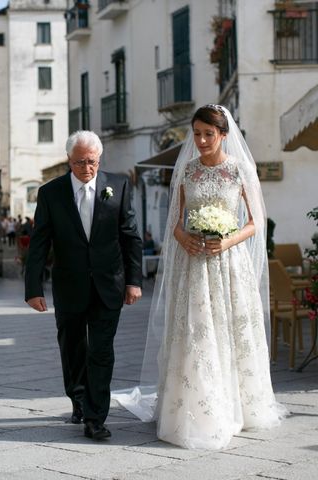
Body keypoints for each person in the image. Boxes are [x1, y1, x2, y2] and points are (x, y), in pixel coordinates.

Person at [114, 105, 286, 449]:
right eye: (197, 133)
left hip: (229, 263)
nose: (202, 140)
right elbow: (175, 222)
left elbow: (256, 222)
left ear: (223, 135)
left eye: (209, 133)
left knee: (229, 328)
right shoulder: (187, 171)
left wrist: (227, 240)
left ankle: (240, 405)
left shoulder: (239, 170)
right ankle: (194, 406)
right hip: (193, 265)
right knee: (197, 330)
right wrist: (185, 238)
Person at [25, 130, 143, 441]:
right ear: (69, 160)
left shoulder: (118, 185)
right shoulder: (51, 193)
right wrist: (33, 288)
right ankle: (78, 399)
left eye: (91, 162)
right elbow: (39, 243)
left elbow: (130, 235)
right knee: (72, 348)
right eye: (79, 163)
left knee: (101, 352)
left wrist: (134, 281)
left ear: (99, 159)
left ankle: (95, 418)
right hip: (69, 285)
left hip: (109, 285)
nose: (86, 168)